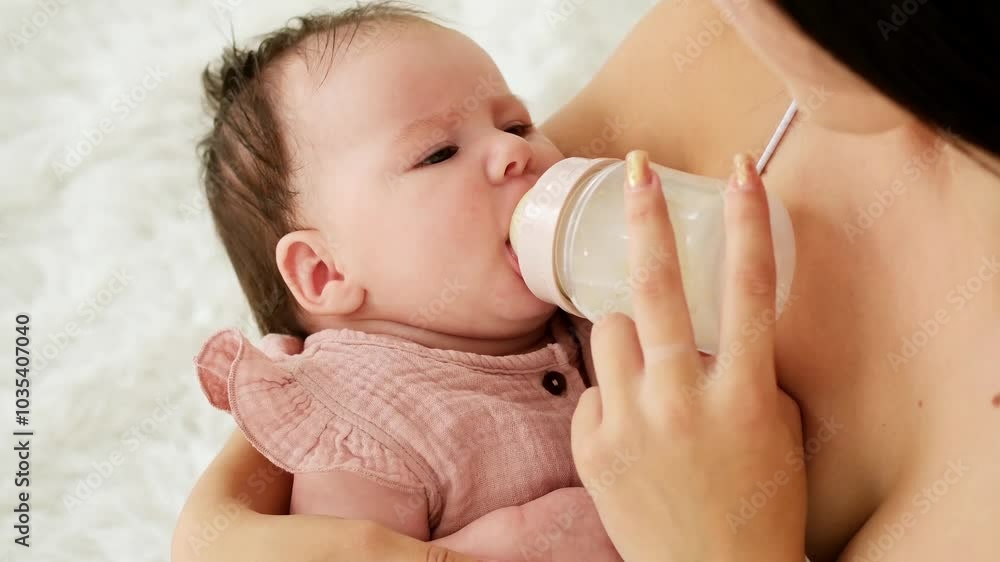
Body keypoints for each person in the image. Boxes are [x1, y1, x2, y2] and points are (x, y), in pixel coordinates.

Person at [173, 1, 1000, 561]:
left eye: (516, 121)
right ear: (323, 272)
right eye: (439, 153)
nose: (517, 153)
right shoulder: (365, 425)